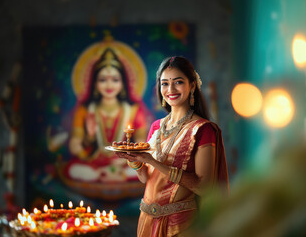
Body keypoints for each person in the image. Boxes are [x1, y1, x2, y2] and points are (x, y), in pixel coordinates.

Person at [116, 56, 229, 236]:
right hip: (146, 220)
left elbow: (204, 186)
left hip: (181, 225)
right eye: (165, 84)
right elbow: (146, 179)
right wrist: (135, 161)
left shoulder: (203, 129)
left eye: (178, 82)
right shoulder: (155, 127)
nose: (170, 90)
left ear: (192, 85)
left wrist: (152, 161)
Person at [66, 47, 149, 184]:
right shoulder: (86, 110)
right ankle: (101, 175)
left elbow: (143, 144)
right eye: (103, 80)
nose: (109, 85)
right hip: (94, 163)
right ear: (95, 84)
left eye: (115, 80)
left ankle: (115, 175)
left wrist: (125, 160)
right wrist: (89, 138)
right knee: (73, 169)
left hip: (124, 164)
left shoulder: (133, 110)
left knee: (144, 169)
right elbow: (74, 146)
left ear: (123, 84)